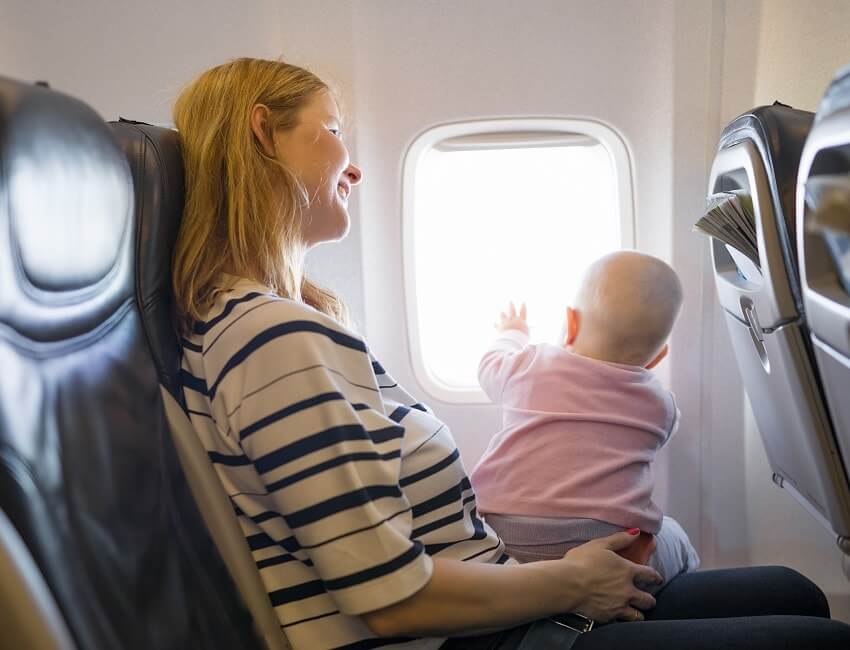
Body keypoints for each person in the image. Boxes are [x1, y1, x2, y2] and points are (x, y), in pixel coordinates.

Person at [171, 57, 850, 650]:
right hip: (458, 638)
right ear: (264, 133)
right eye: (332, 130)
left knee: (793, 591)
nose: (354, 165)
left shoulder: (275, 324)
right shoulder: (273, 338)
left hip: (490, 604)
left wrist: (554, 577)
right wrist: (571, 581)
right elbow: (388, 599)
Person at [470, 253, 699, 590]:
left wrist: (513, 332)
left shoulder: (529, 364)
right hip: (610, 549)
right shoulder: (660, 405)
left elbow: (488, 365)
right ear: (659, 357)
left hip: (503, 537)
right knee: (675, 536)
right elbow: (663, 434)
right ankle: (682, 597)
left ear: (571, 323)